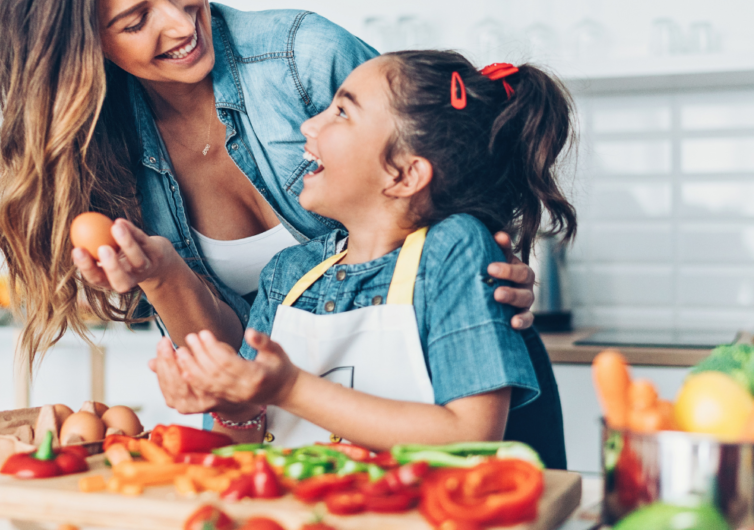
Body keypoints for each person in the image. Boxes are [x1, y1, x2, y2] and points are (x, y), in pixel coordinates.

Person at [0, 0, 540, 370]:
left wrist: (494, 258)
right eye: (135, 20)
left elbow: (454, 167)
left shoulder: (306, 58)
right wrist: (162, 276)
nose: (180, 25)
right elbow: (234, 366)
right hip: (299, 428)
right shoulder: (101, 157)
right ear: (84, 46)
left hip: (452, 375)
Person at [151, 52, 575, 467]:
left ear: (404, 175)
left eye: (342, 112)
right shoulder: (287, 274)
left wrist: (290, 388)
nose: (308, 125)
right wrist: (232, 405)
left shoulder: (452, 249)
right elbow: (242, 447)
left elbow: (471, 437)